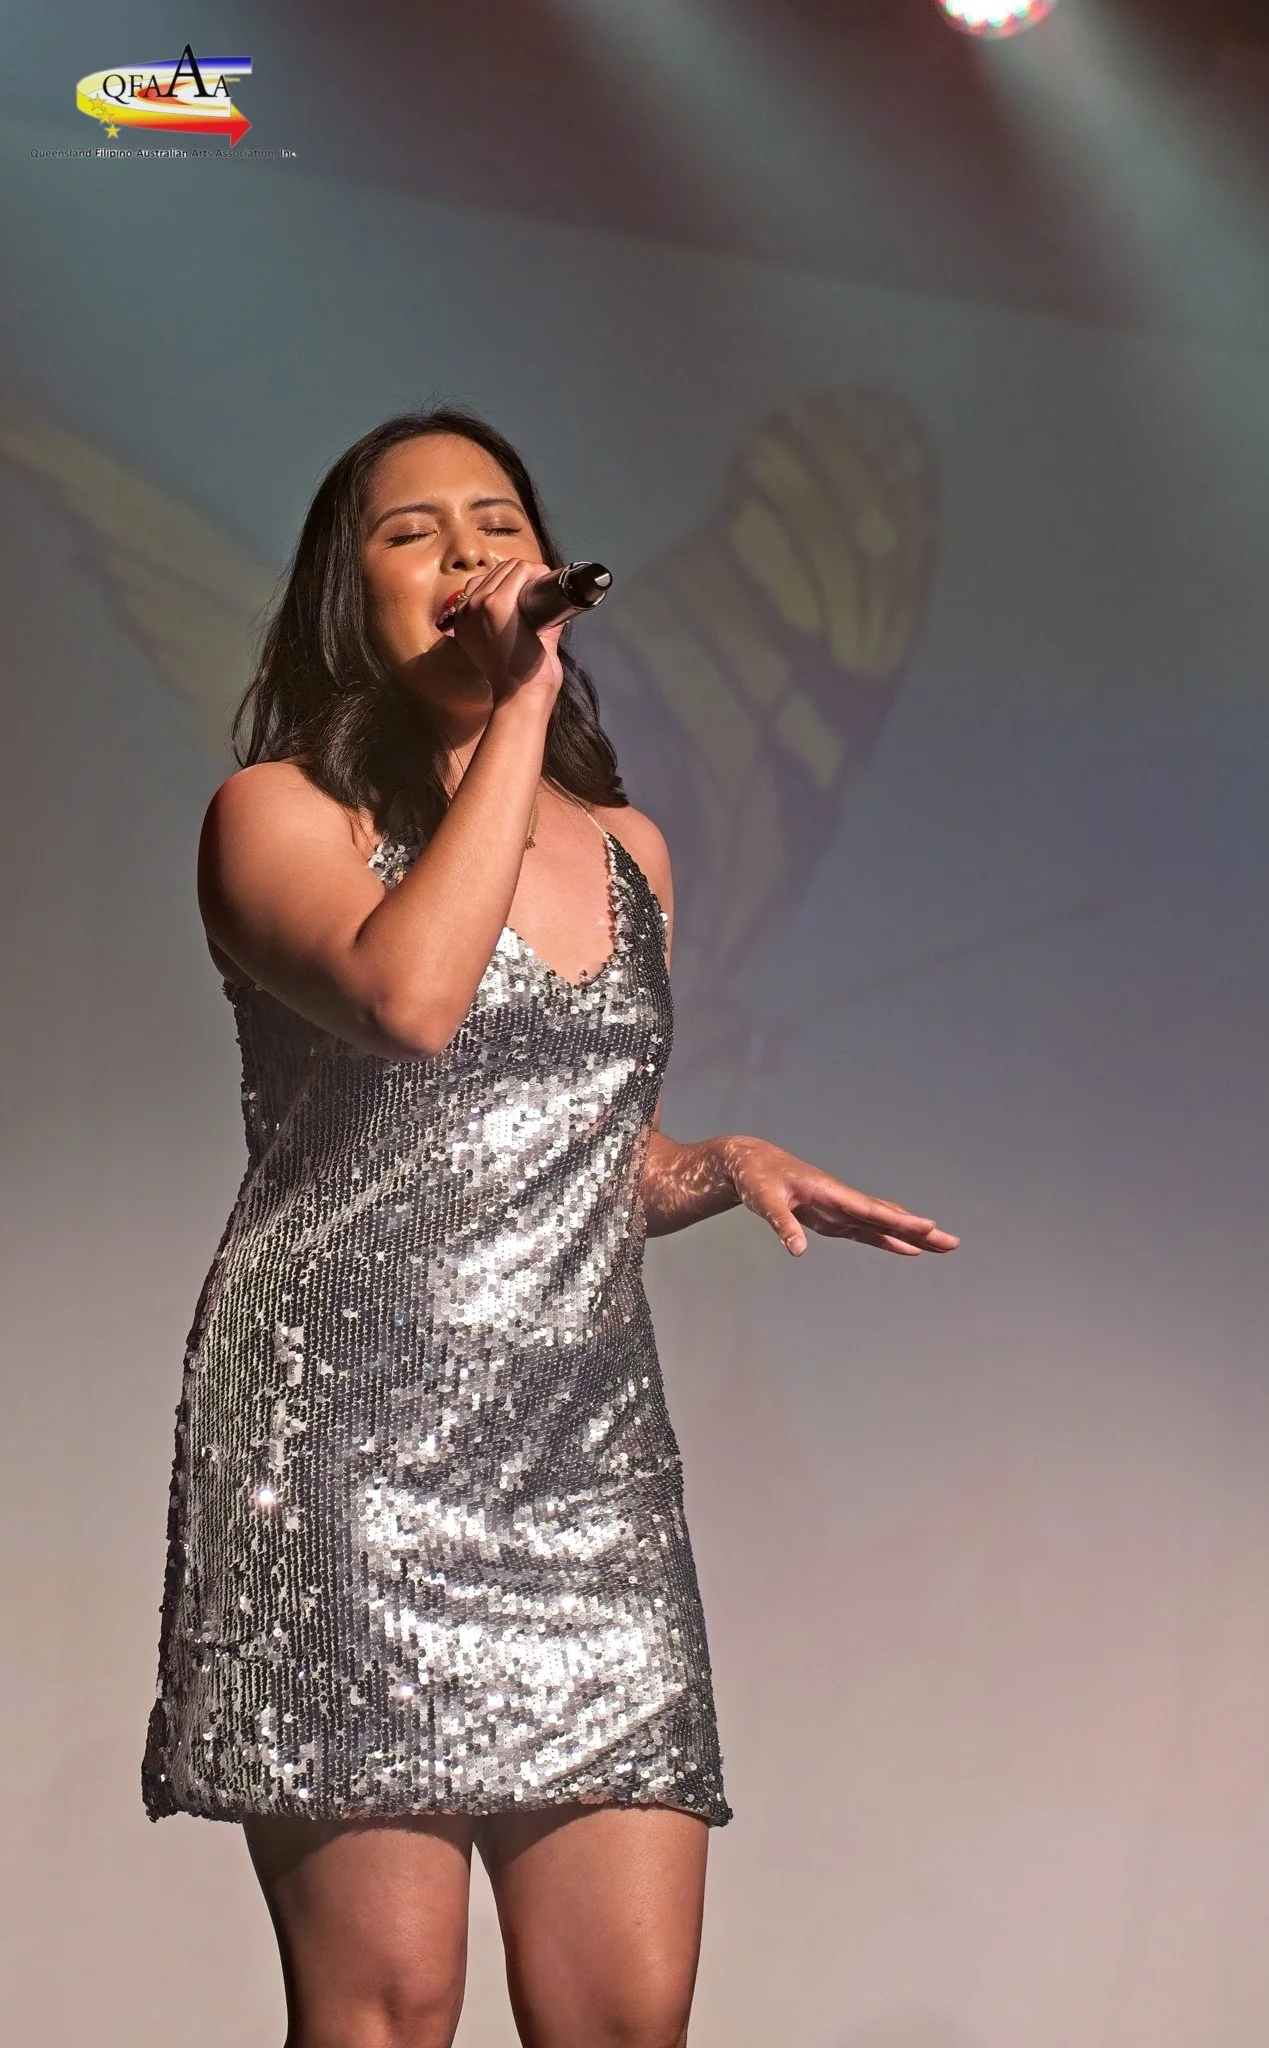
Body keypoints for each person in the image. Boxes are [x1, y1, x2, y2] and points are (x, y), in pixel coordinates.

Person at [141, 405, 959, 2048]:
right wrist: (521, 707)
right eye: (411, 530)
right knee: (389, 2009)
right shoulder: (275, 816)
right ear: (343, 592)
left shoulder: (635, 850)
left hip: (583, 1469)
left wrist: (715, 1163)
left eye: (495, 519)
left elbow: (559, 1150)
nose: (466, 552)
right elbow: (411, 1002)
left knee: (625, 2013)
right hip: (345, 1454)